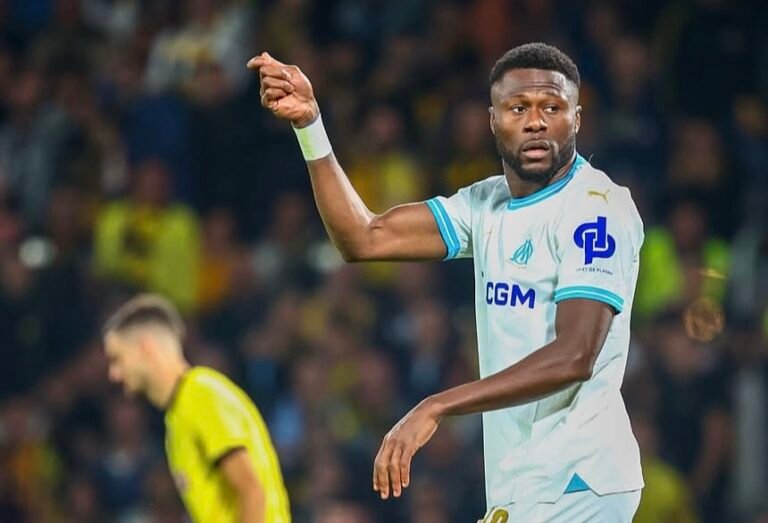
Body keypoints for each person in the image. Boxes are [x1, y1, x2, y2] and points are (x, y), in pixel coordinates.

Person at [249, 42, 644, 521]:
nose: (536, 122)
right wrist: (310, 126)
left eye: (553, 108)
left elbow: (575, 355)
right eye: (519, 108)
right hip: (525, 482)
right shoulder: (486, 204)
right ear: (493, 120)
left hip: (579, 478)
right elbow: (363, 238)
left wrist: (437, 405)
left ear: (577, 119)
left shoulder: (596, 207)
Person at [102, 294, 291, 522]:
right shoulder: (177, 418)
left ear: (146, 348)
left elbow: (252, 492)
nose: (113, 374)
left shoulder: (201, 396)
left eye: (117, 359)